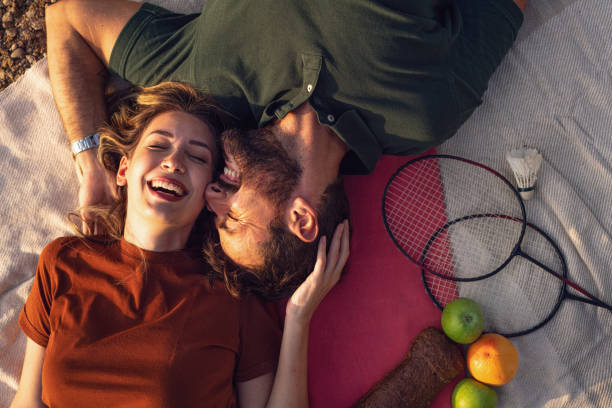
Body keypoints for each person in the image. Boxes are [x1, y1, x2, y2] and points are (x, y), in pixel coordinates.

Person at [45, 0, 528, 295]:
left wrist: (92, 170)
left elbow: (69, 19)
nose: (212, 195)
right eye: (232, 218)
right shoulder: (425, 111)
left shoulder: (205, 90)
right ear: (301, 218)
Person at [10, 82, 350, 407]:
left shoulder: (231, 296)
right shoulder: (65, 262)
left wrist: (298, 317)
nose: (174, 162)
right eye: (158, 146)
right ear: (124, 169)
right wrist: (87, 160)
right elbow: (27, 401)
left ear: (209, 191)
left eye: (198, 157)